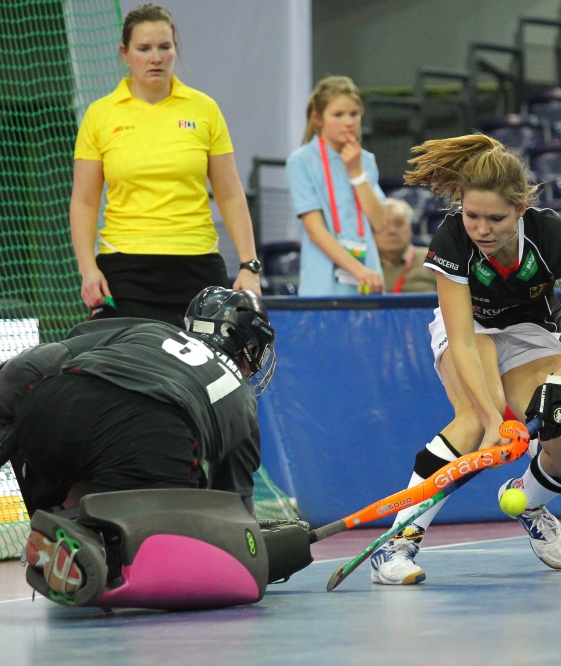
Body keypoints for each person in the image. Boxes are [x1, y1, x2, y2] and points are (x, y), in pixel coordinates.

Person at [368, 134, 561, 585]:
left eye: (495, 218)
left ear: (520, 209)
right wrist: (493, 418)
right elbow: (461, 339)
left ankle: (527, 499)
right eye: (472, 215)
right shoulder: (452, 238)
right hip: (470, 328)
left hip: (532, 332)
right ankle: (396, 544)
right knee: (475, 419)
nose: (481, 229)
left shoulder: (552, 235)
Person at [0, 287, 277, 606]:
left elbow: (26, 367)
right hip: (145, 432)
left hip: (50, 406)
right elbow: (233, 511)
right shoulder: (240, 397)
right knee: (185, 518)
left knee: (20, 406)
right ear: (247, 346)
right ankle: (97, 546)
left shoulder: (150, 330)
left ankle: (57, 519)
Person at [70, 4, 262, 328]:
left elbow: (230, 194)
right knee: (128, 361)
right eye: (144, 48)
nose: (155, 58)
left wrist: (249, 265)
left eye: (164, 47)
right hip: (125, 272)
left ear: (175, 49)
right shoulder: (99, 115)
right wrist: (88, 269)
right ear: (125, 53)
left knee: (208, 362)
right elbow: (85, 201)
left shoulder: (204, 109)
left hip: (198, 268)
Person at [286, 76, 388, 296]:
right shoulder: (301, 161)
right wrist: (358, 270)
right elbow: (315, 230)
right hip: (324, 285)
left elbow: (380, 222)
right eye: (338, 115)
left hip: (367, 282)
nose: (348, 122)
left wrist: (357, 174)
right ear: (318, 118)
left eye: (354, 114)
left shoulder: (365, 160)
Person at [374, 199, 437, 293]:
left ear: (410, 229)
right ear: (371, 231)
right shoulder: (362, 264)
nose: (392, 231)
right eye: (383, 224)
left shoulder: (434, 260)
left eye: (399, 223)